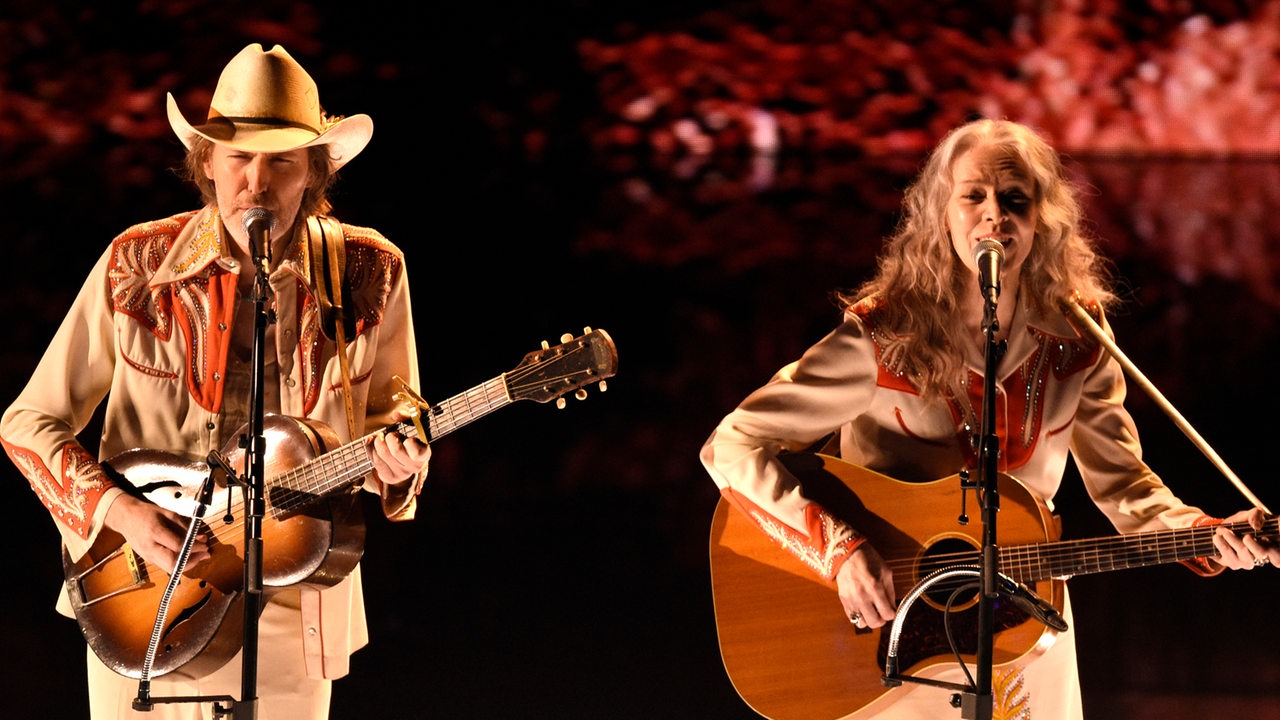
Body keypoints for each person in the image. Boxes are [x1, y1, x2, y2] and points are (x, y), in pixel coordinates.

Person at [699, 117, 1280, 719]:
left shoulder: (1079, 336)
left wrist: (1205, 533)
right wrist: (840, 552)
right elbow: (732, 446)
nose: (994, 215)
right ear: (939, 214)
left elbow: (1126, 489)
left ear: (1043, 219)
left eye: (1015, 199)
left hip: (1025, 629)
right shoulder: (882, 336)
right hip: (888, 636)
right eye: (972, 195)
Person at [0, 43, 431, 719]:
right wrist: (123, 514)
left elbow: (391, 416)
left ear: (313, 171)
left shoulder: (370, 270)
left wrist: (397, 462)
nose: (257, 181)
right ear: (206, 163)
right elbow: (27, 423)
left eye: (281, 160)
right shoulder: (135, 263)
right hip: (141, 601)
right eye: (239, 157)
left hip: (296, 605)